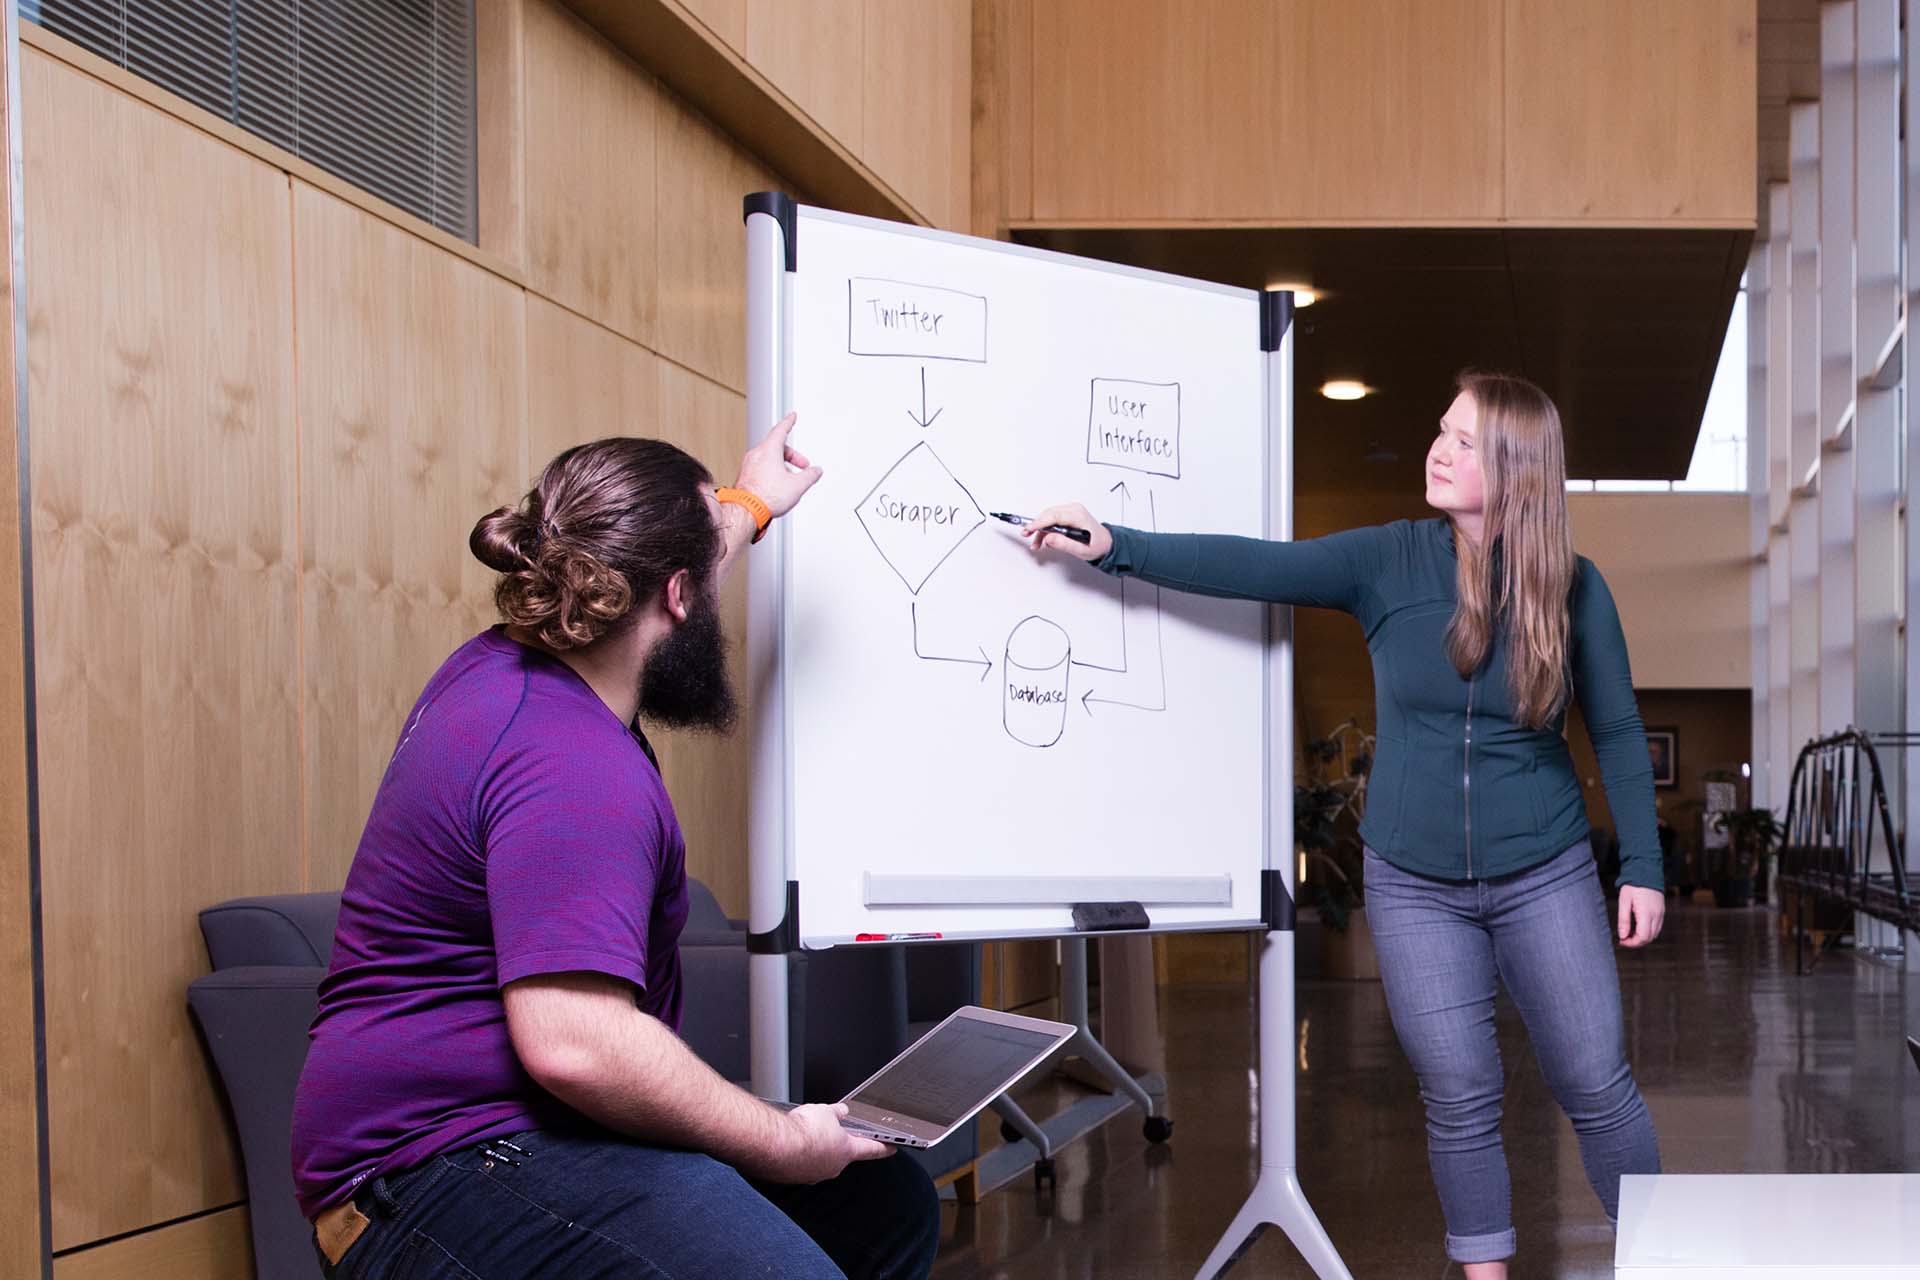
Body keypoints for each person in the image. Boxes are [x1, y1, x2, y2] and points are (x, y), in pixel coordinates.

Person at [1022, 372, 1663, 1277]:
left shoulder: (1575, 587)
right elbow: (1256, 565)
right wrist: (1116, 545)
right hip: (1413, 884)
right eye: (1441, 430)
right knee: (1459, 1093)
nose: (1438, 450)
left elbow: (1620, 730)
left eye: (1465, 441)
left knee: (1597, 1084)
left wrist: (1643, 865)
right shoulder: (1388, 560)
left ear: (1518, 466)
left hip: (1545, 869)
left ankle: (1668, 1255)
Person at [290, 415, 940, 1280]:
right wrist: (784, 1140)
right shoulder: (574, 767)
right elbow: (576, 1044)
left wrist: (748, 504)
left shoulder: (507, 664)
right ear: (678, 596)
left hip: (516, 1126)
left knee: (879, 1205)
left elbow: (679, 559)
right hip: (430, 1174)